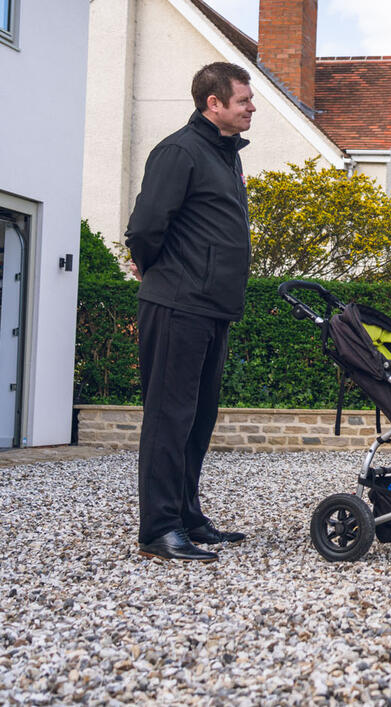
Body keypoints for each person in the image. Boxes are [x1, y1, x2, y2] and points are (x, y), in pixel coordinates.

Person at [125, 62, 256, 562]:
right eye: (243, 100)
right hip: (177, 303)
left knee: (198, 418)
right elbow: (145, 226)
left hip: (212, 308)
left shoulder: (223, 155)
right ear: (213, 103)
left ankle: (187, 516)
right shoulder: (179, 151)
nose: (251, 108)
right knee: (169, 417)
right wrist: (153, 270)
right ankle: (159, 529)